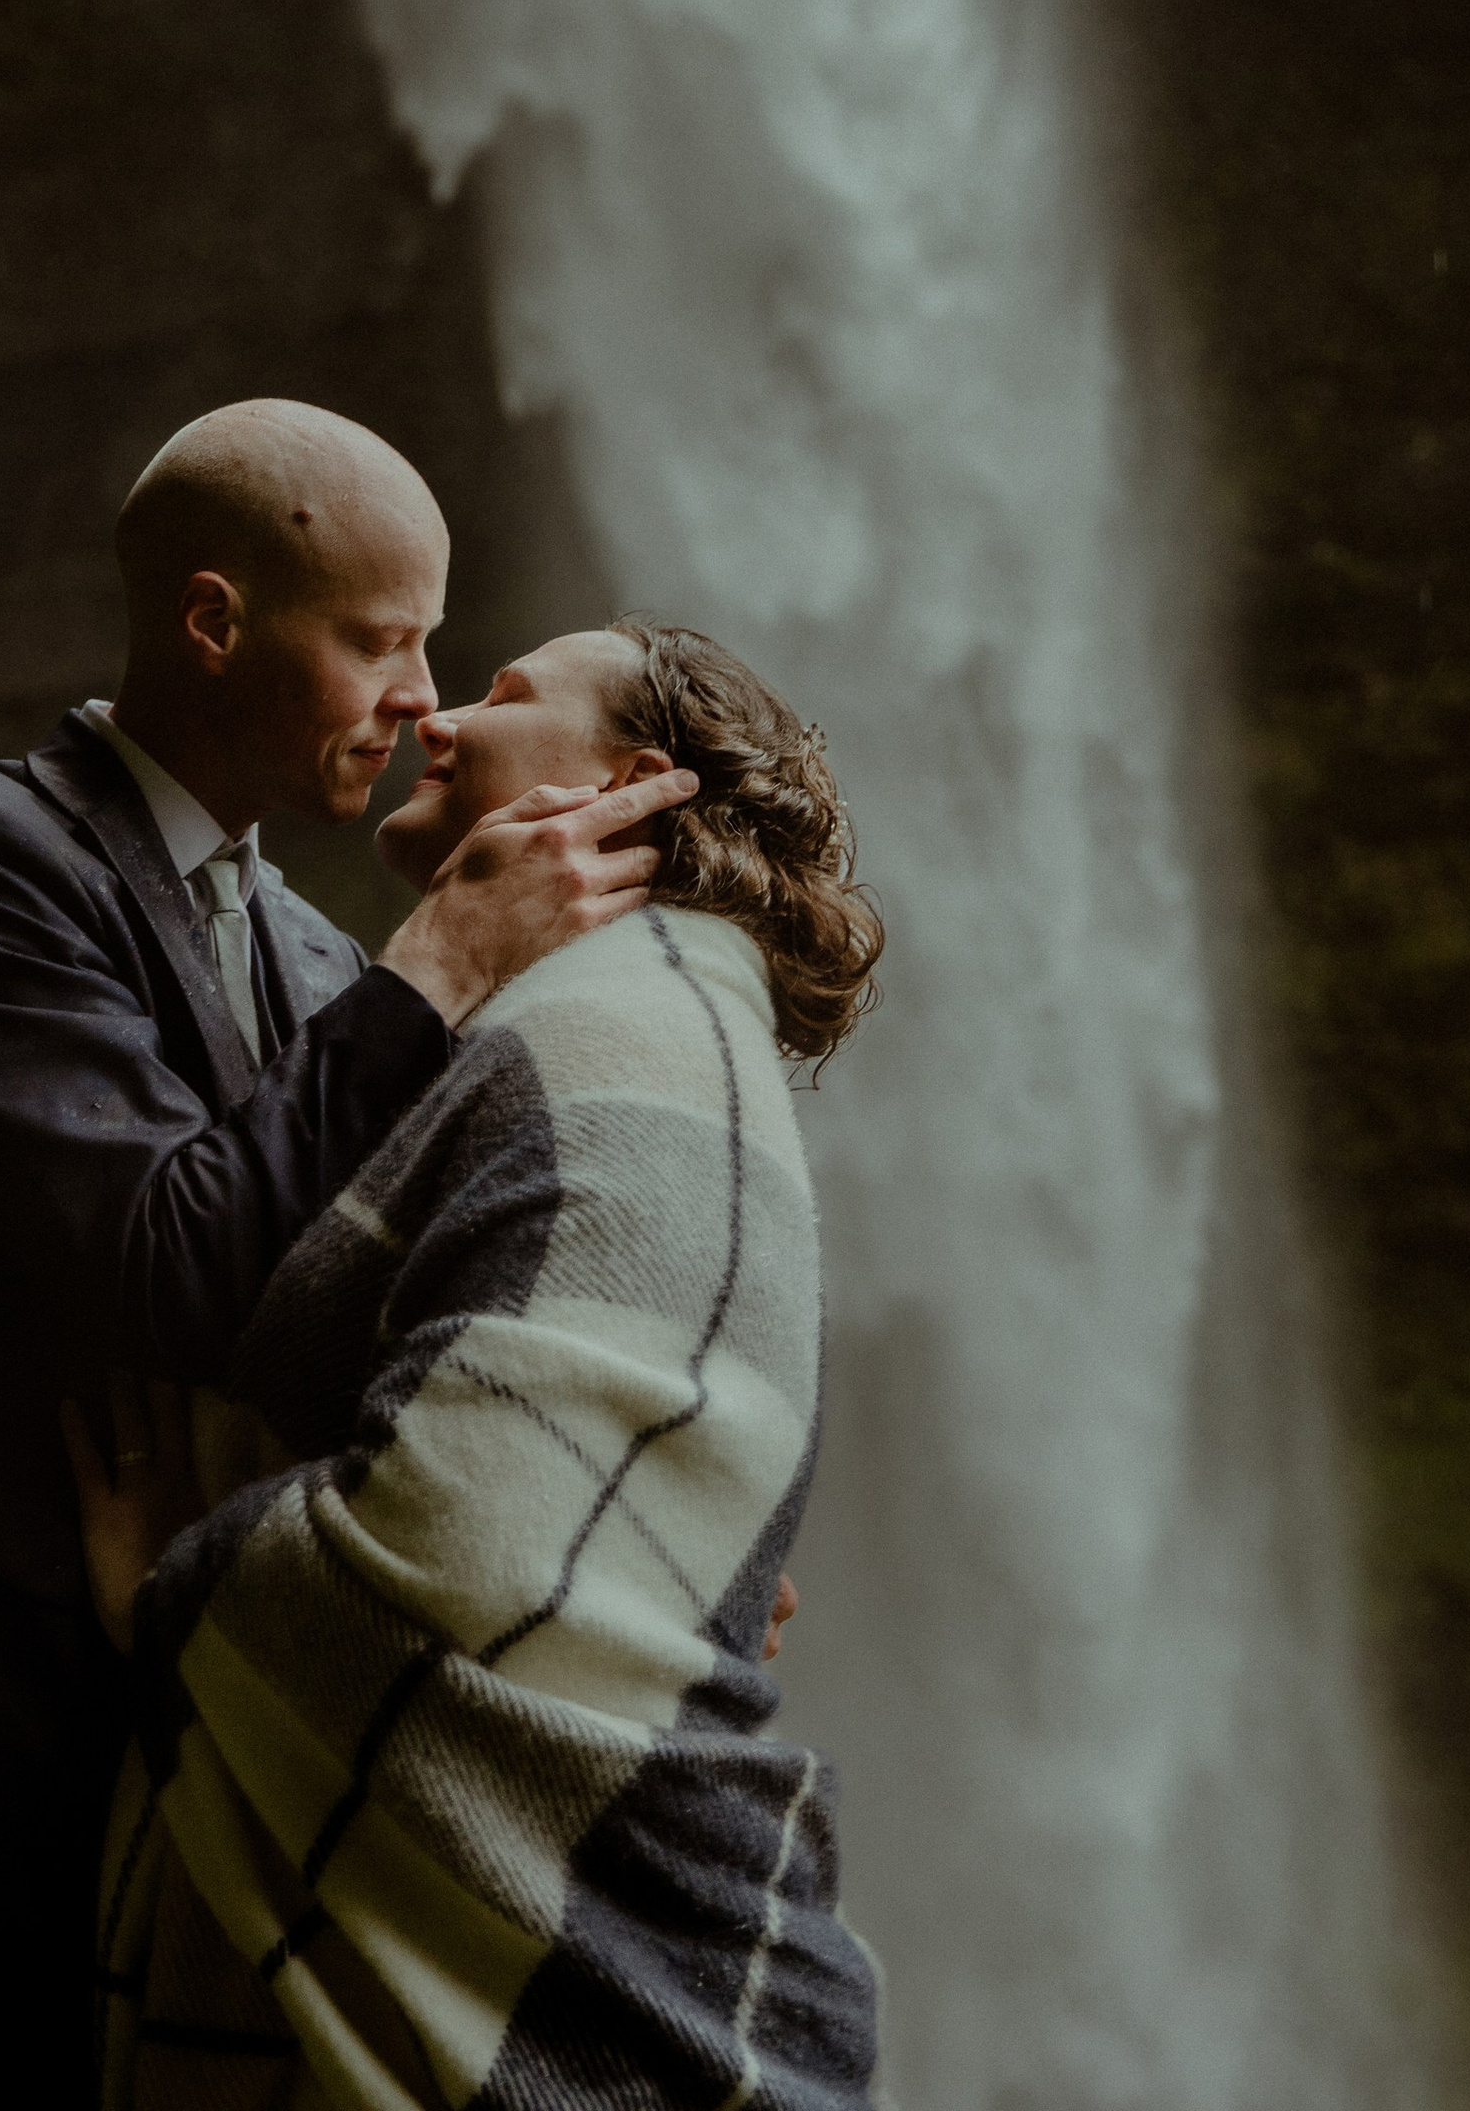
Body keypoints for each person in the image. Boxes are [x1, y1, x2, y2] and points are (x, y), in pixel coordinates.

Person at [0, 405, 698, 2111]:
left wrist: (658, 1526)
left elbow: (393, 1311)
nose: (424, 697)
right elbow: (162, 1264)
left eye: (433, 643)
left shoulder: (303, 938)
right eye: (381, 640)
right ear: (213, 621)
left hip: (195, 1724)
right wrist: (439, 969)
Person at [69, 618, 887, 2111]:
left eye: (505, 696)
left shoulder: (627, 1027)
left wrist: (182, 1592)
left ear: (629, 786)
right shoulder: (616, 1026)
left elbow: (489, 1547)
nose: (436, 716)